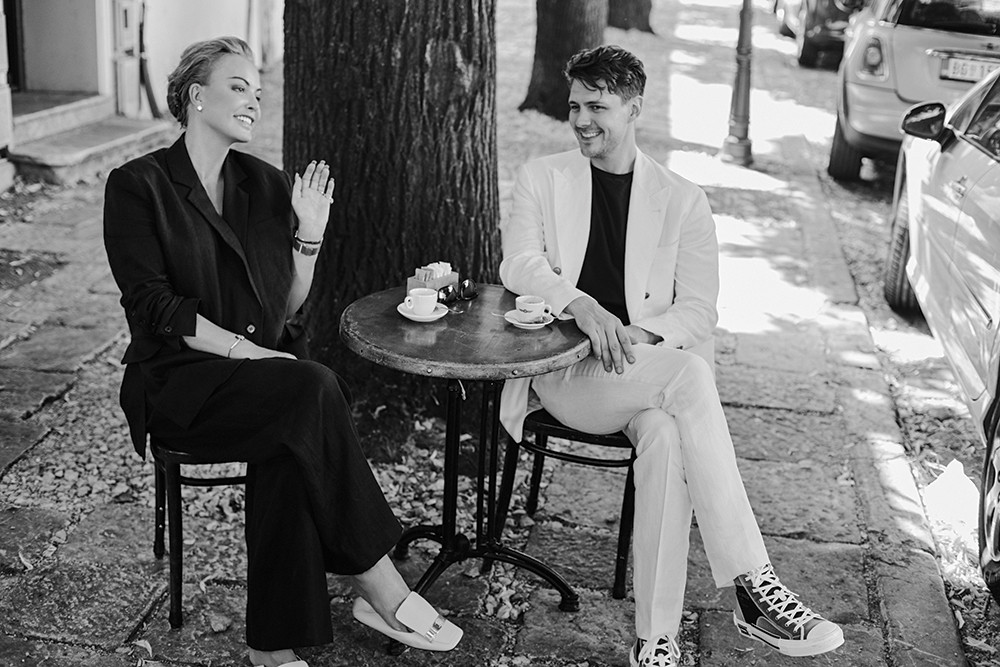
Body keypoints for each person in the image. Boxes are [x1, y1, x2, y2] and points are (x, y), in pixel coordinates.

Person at [102, 37, 461, 667]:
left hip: (260, 385)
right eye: (239, 87)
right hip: (181, 388)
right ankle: (379, 587)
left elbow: (282, 309)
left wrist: (309, 237)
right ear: (196, 96)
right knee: (310, 391)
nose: (254, 101)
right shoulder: (138, 186)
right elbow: (156, 308)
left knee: (294, 434)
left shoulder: (263, 184)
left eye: (259, 93)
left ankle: (271, 647)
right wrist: (250, 354)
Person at [498, 45, 844, 667]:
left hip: (640, 370)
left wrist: (638, 336)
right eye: (575, 106)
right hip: (564, 372)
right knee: (690, 376)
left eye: (597, 107)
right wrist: (580, 305)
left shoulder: (682, 199)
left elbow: (699, 311)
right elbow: (519, 263)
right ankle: (752, 586)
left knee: (664, 435)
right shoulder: (542, 177)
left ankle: (656, 639)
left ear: (634, 108)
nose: (581, 120)